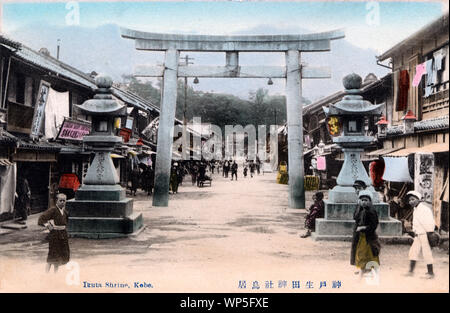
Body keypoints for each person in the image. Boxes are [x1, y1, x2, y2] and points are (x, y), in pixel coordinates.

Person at [404, 191, 436, 279]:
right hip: (418, 235)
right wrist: (413, 231)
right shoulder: (415, 209)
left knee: (427, 253)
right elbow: (416, 223)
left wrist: (430, 233)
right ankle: (411, 271)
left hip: (425, 234)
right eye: (410, 200)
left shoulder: (425, 209)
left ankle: (430, 273)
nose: (411, 202)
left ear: (418, 199)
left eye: (413, 199)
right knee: (413, 252)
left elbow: (430, 222)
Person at [350, 190, 381, 279]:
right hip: (362, 237)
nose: (364, 202)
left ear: (370, 201)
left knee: (371, 255)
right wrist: (358, 206)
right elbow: (355, 217)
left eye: (366, 200)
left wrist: (364, 228)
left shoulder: (371, 211)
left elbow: (374, 225)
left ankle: (373, 273)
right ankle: (362, 272)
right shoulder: (361, 209)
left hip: (369, 237)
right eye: (362, 200)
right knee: (362, 254)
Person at [38, 193, 70, 273]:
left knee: (59, 256)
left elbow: (66, 223)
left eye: (64, 200)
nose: (62, 202)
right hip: (55, 235)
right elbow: (41, 218)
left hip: (63, 235)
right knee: (52, 255)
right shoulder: (53, 210)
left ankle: (55, 273)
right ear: (57, 201)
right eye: (60, 200)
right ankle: (46, 273)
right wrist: (48, 225)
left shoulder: (65, 212)